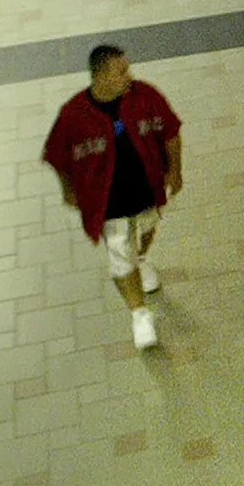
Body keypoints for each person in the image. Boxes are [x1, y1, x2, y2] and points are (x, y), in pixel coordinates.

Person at [42, 45, 184, 351]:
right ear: (101, 76)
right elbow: (57, 156)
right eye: (121, 71)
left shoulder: (145, 96)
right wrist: (68, 190)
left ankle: (142, 258)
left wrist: (175, 172)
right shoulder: (73, 115)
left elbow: (171, 132)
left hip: (148, 189)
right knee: (120, 252)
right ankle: (139, 313)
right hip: (108, 201)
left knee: (147, 228)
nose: (129, 76)